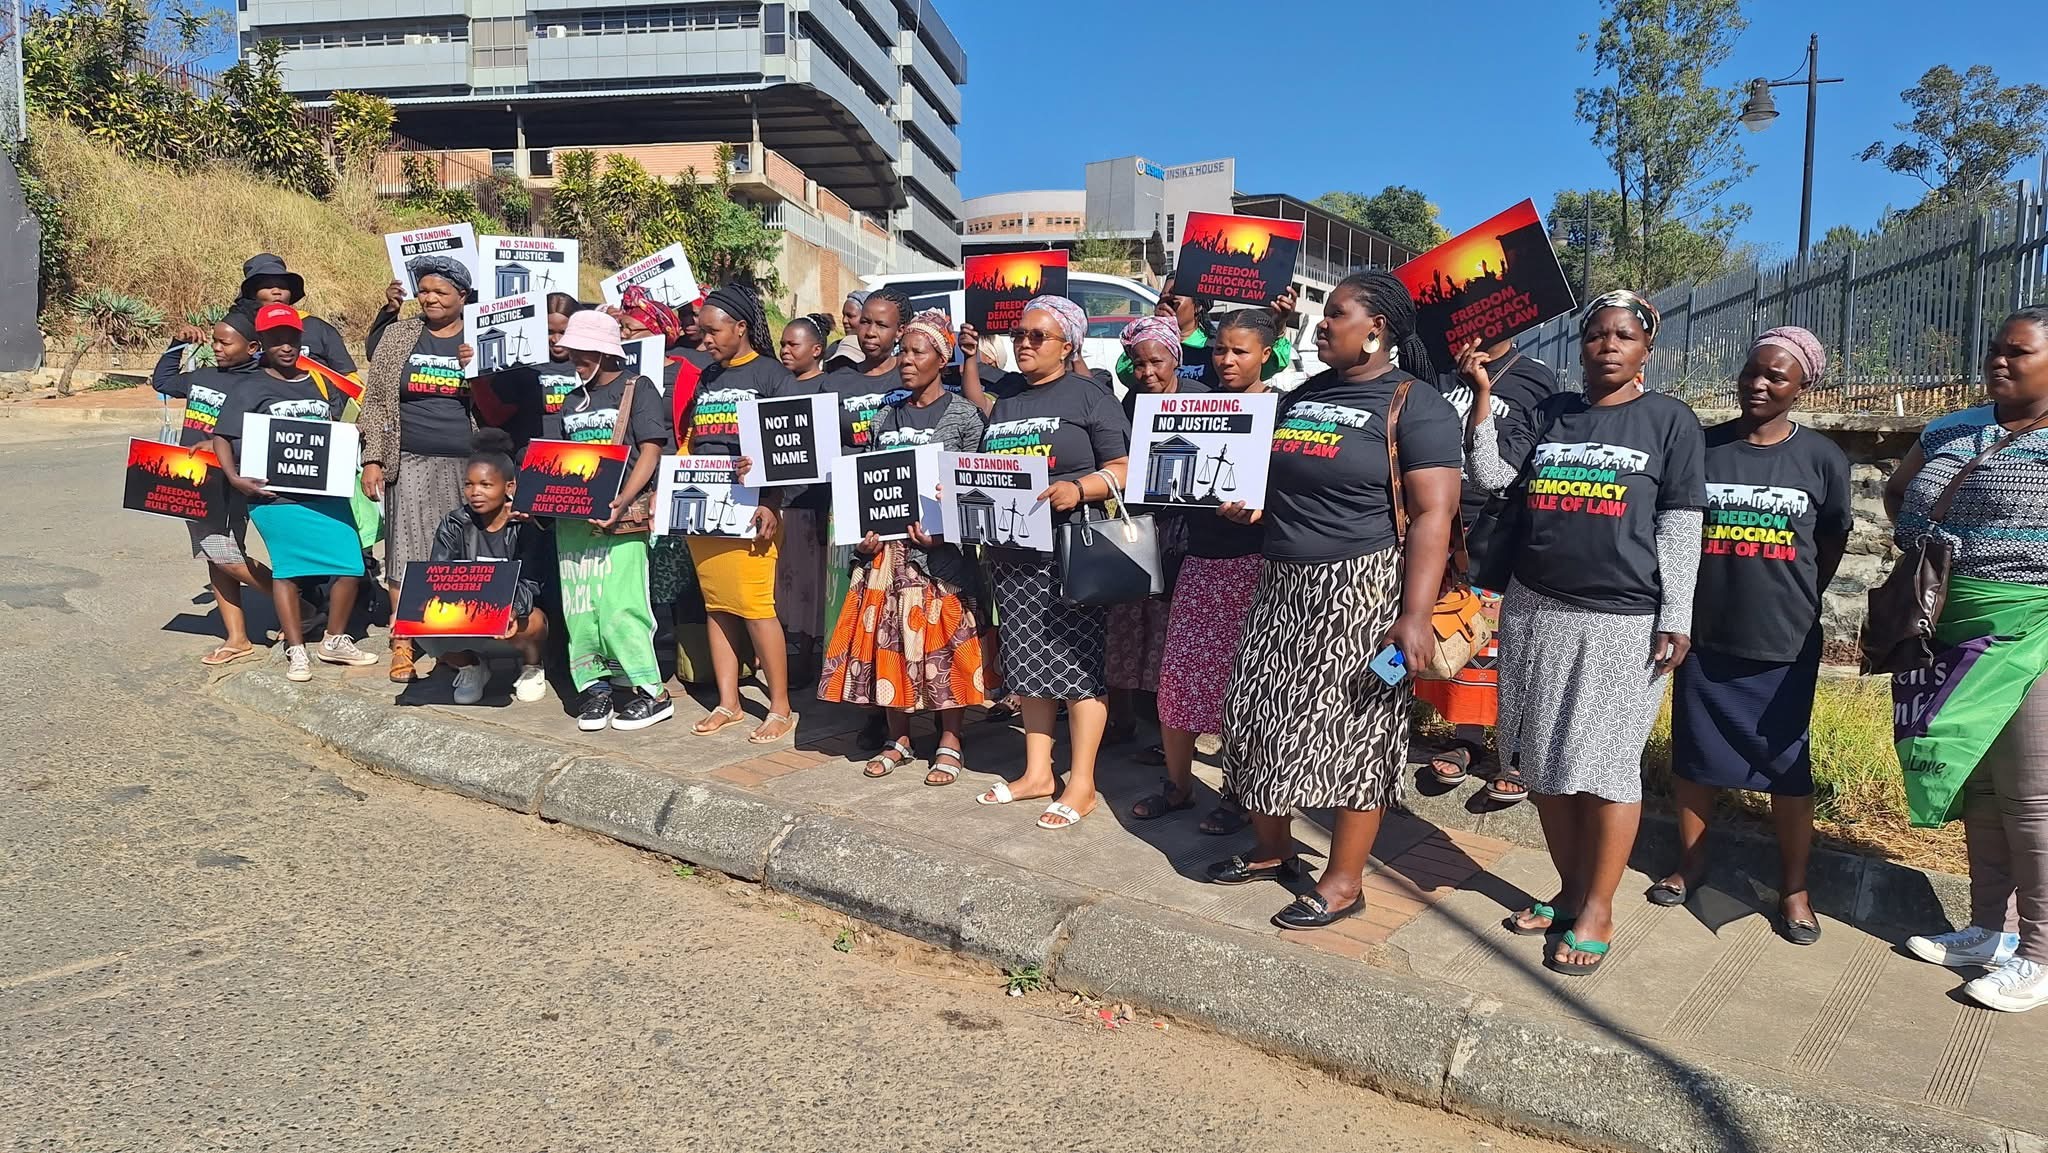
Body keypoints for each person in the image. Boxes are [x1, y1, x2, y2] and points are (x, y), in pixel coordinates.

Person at [1201, 273, 1461, 929]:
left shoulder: (1415, 403)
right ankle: (1271, 848)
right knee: (1252, 713)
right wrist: (1253, 507)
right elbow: (1280, 478)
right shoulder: (1309, 394)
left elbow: (1434, 512)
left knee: (1359, 731)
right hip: (1282, 583)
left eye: (1336, 313)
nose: (1322, 323)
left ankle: (1344, 882)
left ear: (1376, 327)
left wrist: (1415, 615)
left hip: (1367, 592)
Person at [1466, 290, 1706, 976]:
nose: (1606, 344)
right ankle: (1570, 891)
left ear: (1645, 350)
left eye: (1622, 335)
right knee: (1542, 765)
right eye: (1595, 334)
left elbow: (1680, 524)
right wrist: (1482, 397)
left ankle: (1598, 906)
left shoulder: (1670, 421)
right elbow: (1491, 476)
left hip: (1624, 621)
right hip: (1537, 607)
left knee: (1602, 767)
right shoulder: (1554, 413)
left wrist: (1677, 614)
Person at [1639, 326, 1848, 944]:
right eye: (1752, 371)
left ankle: (1794, 886)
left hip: (1782, 637)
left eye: (1776, 376)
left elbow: (1830, 541)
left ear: (1802, 386)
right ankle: (1692, 862)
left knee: (1786, 766)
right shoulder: (1702, 449)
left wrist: (1797, 596)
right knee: (1696, 758)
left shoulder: (1822, 459)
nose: (1758, 383)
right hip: (1704, 633)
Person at [1888, 306, 2048, 1011]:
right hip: (1950, 625)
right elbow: (1901, 489)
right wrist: (1920, 546)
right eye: (1996, 349)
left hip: (2029, 631)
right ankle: (1988, 928)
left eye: (2019, 353)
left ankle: (2039, 954)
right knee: (1979, 786)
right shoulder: (1951, 427)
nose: (2000, 361)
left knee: (2032, 795)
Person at [960, 295, 1132, 830]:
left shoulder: (1090, 396)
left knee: (1078, 667)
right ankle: (1038, 773)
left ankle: (1081, 782)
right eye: (1020, 334)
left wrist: (1079, 488)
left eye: (1039, 336)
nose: (1025, 343)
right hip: (1013, 552)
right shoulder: (1007, 398)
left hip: (1071, 550)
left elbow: (1126, 467)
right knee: (1028, 662)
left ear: (1068, 346)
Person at [818, 311, 993, 783]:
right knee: (888, 643)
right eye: (904, 351)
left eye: (918, 352)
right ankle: (900, 737)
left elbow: (975, 487)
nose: (907, 360)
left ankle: (950, 738)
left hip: (939, 558)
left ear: (943, 357)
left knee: (944, 646)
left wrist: (946, 532)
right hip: (886, 558)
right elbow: (867, 481)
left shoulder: (964, 417)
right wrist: (864, 533)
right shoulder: (885, 415)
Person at [1134, 309, 1280, 832]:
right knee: (1178, 681)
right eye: (1220, 349)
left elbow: (1293, 485)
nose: (1226, 360)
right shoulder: (1194, 402)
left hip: (1255, 567)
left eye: (1240, 351)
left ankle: (1240, 794)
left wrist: (1264, 506)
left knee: (1243, 688)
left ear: (1267, 354)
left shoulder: (1282, 410)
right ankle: (1178, 786)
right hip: (1198, 560)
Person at [1425, 336, 1564, 802]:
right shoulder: (1435, 363)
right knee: (1434, 629)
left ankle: (1511, 752)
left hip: (1491, 525)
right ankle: (1461, 738)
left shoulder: (1534, 376)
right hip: (1429, 517)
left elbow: (1521, 461)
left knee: (1486, 636)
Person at [208, 304, 379, 682]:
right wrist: (235, 478)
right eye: (276, 339)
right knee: (288, 570)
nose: (285, 346)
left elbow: (335, 426)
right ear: (261, 344)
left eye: (291, 338)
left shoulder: (318, 382)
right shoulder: (249, 386)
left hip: (326, 493)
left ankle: (334, 640)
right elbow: (222, 436)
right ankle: (296, 650)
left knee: (351, 563)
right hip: (275, 499)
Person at [546, 309, 677, 731]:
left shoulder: (638, 389)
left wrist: (621, 501)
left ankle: (652, 691)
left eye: (583, 352)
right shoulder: (571, 399)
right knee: (581, 606)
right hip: (574, 524)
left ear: (605, 353)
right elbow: (561, 460)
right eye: (574, 352)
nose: (575, 360)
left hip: (621, 517)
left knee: (622, 604)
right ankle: (597, 686)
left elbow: (652, 451)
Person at [685, 282, 800, 744]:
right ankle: (729, 703)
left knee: (756, 608)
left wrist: (773, 500)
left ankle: (781, 706)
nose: (705, 340)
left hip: (754, 511)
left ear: (741, 327)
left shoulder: (772, 376)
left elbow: (794, 448)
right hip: (705, 513)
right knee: (717, 607)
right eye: (701, 333)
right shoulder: (707, 377)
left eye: (713, 332)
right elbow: (694, 437)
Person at [360, 255, 476, 684]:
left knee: (457, 553)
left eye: (441, 292)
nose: (430, 298)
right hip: (408, 457)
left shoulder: (482, 337)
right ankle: (404, 640)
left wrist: (476, 369)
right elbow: (375, 401)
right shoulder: (400, 335)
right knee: (405, 549)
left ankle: (448, 639)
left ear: (462, 297)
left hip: (468, 463)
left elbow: (502, 400)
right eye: (424, 290)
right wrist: (373, 456)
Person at [151, 311, 275, 665]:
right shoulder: (203, 376)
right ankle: (237, 638)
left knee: (222, 552)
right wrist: (177, 343)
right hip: (193, 479)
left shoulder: (260, 383)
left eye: (225, 342)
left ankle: (296, 603)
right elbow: (162, 381)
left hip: (232, 478)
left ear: (252, 347)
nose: (217, 348)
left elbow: (265, 433)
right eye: (215, 340)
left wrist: (223, 448)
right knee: (217, 557)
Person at [1103, 315, 1191, 756]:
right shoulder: (1132, 403)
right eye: (1139, 365)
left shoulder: (1203, 400)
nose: (1148, 373)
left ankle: (1168, 735)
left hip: (1186, 535)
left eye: (1156, 362)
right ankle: (1121, 720)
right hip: (1137, 527)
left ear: (1175, 357)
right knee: (1125, 622)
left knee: (1168, 634)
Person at [423, 428, 552, 706]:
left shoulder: (526, 526)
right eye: (469, 485)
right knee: (420, 626)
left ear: (509, 487)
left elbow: (531, 583)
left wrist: (512, 610)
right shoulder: (454, 524)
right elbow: (438, 576)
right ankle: (471, 667)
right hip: (468, 617)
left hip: (513, 622)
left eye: (485, 485)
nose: (475, 493)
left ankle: (532, 666)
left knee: (536, 621)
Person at [777, 311, 839, 685]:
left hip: (813, 502)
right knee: (786, 587)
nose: (785, 350)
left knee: (812, 588)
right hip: (782, 503)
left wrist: (822, 508)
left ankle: (810, 655)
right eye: (782, 343)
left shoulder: (827, 389)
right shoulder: (779, 387)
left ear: (816, 350)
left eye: (792, 344)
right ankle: (790, 649)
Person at [1114, 274, 1296, 389]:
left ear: (1197, 306)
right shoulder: (1148, 346)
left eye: (1174, 300)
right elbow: (1126, 374)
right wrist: (1155, 334)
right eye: (1162, 299)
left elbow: (1272, 363)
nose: (1166, 304)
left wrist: (1278, 323)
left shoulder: (1217, 347)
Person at [214, 253, 357, 373]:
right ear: (252, 293)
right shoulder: (240, 332)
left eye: (283, 286)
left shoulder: (318, 328)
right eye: (267, 286)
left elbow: (349, 378)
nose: (277, 292)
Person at [475, 292, 583, 451]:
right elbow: (495, 416)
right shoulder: (522, 366)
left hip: (577, 461)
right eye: (549, 332)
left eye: (564, 332)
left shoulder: (590, 365)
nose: (556, 340)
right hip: (528, 461)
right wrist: (476, 378)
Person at [824, 288, 871, 373]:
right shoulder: (834, 348)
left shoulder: (873, 348)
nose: (844, 320)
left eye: (850, 316)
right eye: (843, 315)